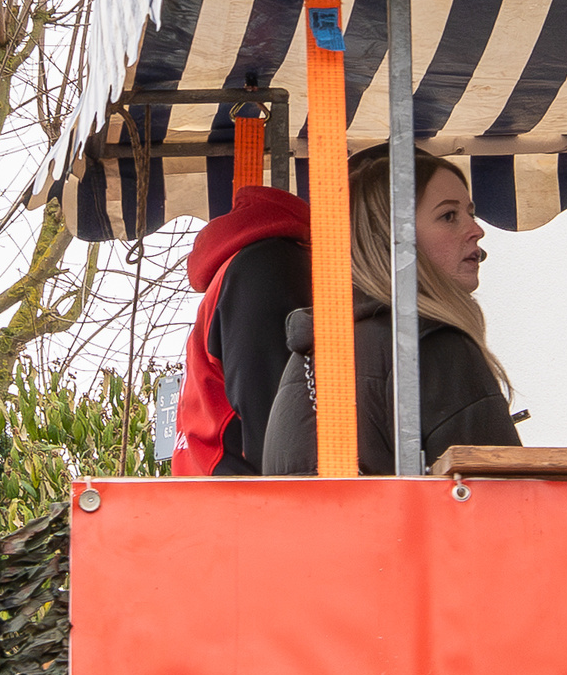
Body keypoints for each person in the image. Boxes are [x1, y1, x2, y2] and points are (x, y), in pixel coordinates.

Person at [259, 148, 521, 474]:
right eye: (449, 216)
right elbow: (501, 494)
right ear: (390, 239)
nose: (476, 230)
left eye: (470, 213)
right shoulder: (433, 346)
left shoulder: (311, 353)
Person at [170, 180, 312, 475]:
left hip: (215, 483)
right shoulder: (267, 267)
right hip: (240, 489)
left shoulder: (246, 265)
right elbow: (274, 431)